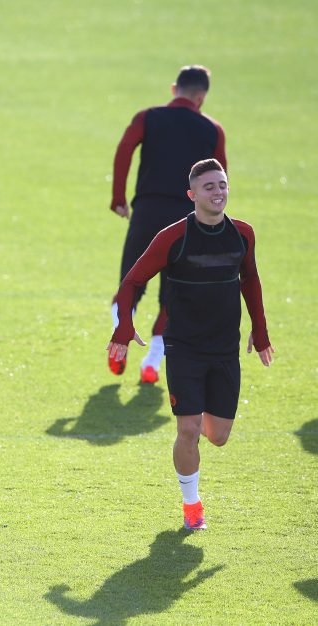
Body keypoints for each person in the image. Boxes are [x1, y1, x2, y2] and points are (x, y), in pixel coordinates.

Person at [107, 158, 273, 530]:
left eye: (223, 185)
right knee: (188, 430)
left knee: (218, 437)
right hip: (183, 348)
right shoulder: (172, 237)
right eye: (210, 186)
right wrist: (123, 329)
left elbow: (251, 281)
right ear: (192, 194)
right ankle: (191, 505)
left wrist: (259, 331)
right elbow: (131, 282)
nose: (218, 192)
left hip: (225, 349)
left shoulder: (242, 234)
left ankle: (196, 431)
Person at [109, 65, 226, 383]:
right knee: (175, 296)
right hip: (187, 223)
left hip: (147, 211)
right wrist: (216, 221)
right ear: (201, 97)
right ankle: (152, 362)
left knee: (129, 283)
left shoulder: (148, 117)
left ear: (174, 89)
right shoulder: (212, 129)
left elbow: (124, 150)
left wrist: (118, 196)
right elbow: (219, 181)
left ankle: (118, 340)